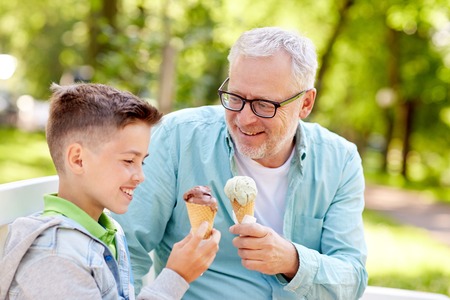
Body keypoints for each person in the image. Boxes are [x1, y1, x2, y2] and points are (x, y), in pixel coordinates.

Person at [113, 27, 368, 299]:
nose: (245, 119)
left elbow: (352, 277)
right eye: (235, 98)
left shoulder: (340, 161)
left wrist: (292, 261)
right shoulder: (177, 138)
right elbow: (126, 250)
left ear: (305, 103)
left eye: (264, 104)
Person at [0, 83, 221, 299]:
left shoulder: (108, 229)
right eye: (128, 160)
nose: (141, 176)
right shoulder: (54, 258)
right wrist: (177, 276)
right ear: (78, 160)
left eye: (142, 162)